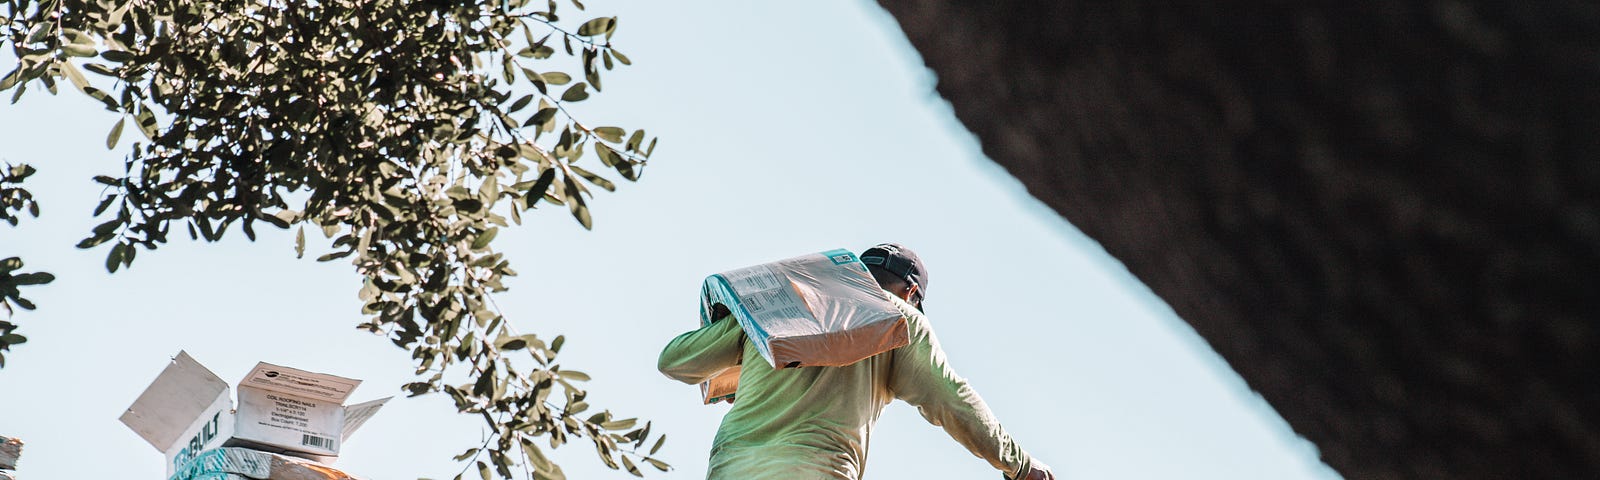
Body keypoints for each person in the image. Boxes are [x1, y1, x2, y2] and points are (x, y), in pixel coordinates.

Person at [658, 243, 1054, 480]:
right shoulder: (899, 318)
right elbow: (951, 400)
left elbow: (674, 361)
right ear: (910, 291)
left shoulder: (780, 307)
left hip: (730, 470)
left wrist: (742, 342)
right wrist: (1020, 466)